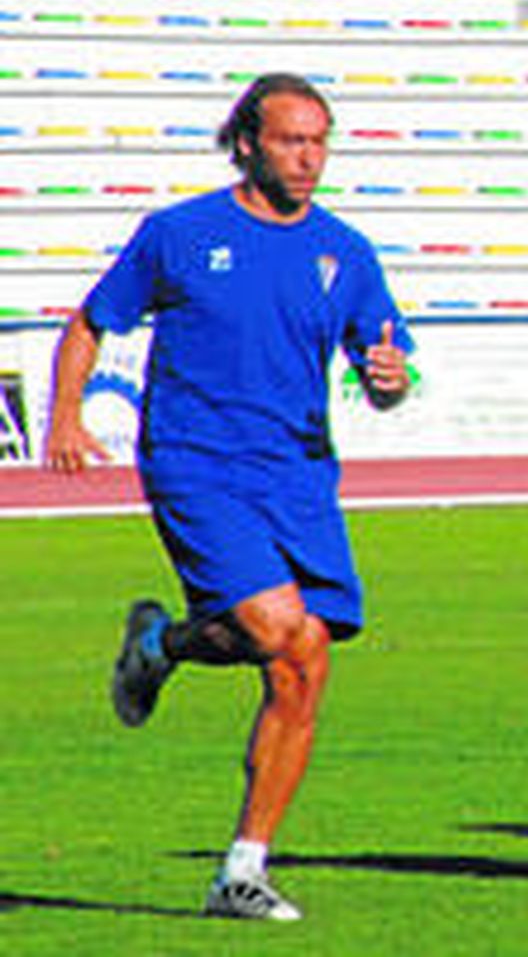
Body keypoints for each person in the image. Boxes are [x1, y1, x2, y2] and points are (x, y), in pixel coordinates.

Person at [44, 73, 413, 921]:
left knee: (304, 657)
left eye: (320, 140)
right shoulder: (179, 233)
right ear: (246, 141)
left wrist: (390, 379)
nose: (309, 157)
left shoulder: (345, 251)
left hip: (299, 476)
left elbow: (386, 364)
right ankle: (234, 861)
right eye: (291, 139)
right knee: (280, 630)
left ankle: (239, 865)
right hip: (197, 462)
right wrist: (66, 414)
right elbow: (92, 322)